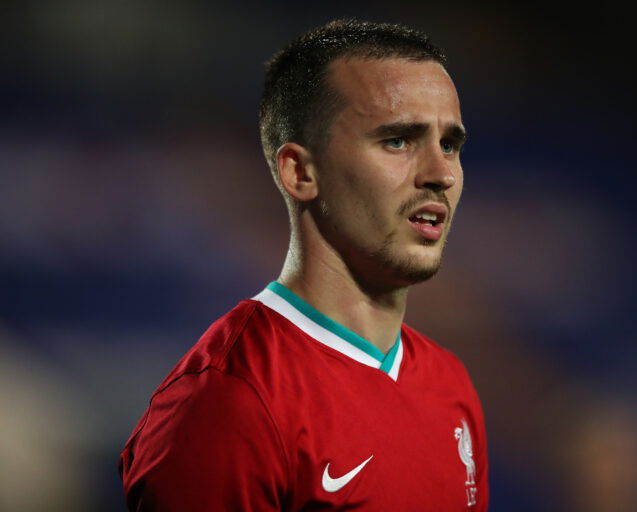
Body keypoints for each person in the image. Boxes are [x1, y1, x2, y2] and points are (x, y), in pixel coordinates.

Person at [120, 19, 488, 510]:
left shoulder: (450, 385)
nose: (441, 173)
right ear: (300, 171)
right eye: (398, 140)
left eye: (450, 144)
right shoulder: (230, 401)